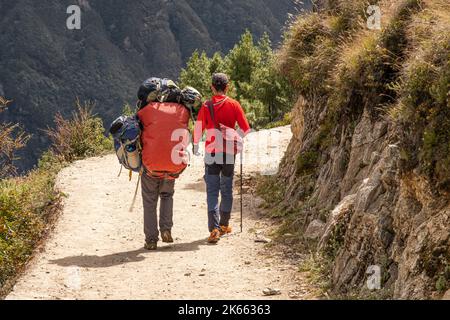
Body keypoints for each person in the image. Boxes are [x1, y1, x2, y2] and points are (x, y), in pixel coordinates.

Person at [193, 73, 251, 244]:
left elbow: (197, 132)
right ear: (227, 87)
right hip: (229, 154)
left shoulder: (206, 106)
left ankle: (214, 230)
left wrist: (195, 145)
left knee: (212, 191)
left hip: (211, 152)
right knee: (226, 189)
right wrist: (233, 135)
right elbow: (246, 130)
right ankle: (224, 225)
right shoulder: (234, 105)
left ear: (212, 87)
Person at [137, 96, 191, 251]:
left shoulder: (149, 109)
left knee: (149, 201)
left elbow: (137, 119)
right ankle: (166, 229)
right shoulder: (183, 110)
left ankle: (151, 240)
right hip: (174, 164)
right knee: (167, 195)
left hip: (151, 165)